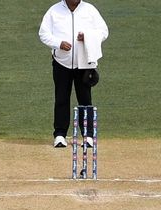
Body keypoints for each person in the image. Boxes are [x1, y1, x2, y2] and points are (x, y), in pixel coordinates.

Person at [38, 0, 108, 147]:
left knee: (85, 99)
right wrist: (58, 43)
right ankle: (59, 135)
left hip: (83, 63)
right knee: (61, 98)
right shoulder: (54, 11)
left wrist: (87, 37)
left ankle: (88, 136)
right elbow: (43, 34)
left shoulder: (90, 10)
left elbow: (103, 32)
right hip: (61, 62)